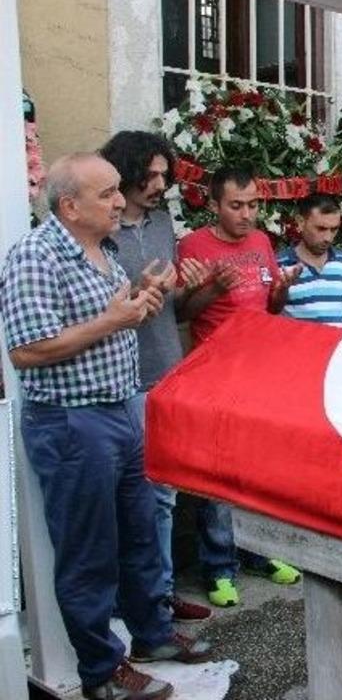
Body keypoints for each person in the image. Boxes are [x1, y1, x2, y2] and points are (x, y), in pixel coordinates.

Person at [1, 153, 211, 700]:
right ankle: (100, 671)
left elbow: (112, 321)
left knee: (140, 533)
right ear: (70, 205)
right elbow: (27, 351)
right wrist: (113, 319)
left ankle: (152, 635)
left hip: (121, 410)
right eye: (108, 194)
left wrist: (141, 300)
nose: (121, 201)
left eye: (119, 190)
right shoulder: (35, 257)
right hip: (73, 424)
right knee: (89, 551)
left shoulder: (105, 250)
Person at [177, 165, 303, 606]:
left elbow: (271, 305)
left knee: (260, 471)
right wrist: (212, 289)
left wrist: (285, 289)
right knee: (219, 476)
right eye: (236, 205)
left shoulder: (262, 242)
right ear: (214, 205)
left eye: (253, 205)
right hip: (215, 375)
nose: (247, 214)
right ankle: (219, 566)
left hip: (260, 372)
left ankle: (260, 554)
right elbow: (182, 312)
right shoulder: (193, 246)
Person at [101, 130, 213, 623]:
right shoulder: (99, 232)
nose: (158, 185)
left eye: (164, 175)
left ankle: (159, 596)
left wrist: (198, 290)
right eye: (149, 175)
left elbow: (178, 312)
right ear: (123, 172)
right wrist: (140, 292)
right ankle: (139, 601)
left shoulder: (164, 223)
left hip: (166, 370)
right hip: (122, 377)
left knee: (164, 495)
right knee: (133, 498)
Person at [277, 194, 342, 329]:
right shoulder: (279, 264)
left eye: (334, 229)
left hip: (337, 348)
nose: (328, 238)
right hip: (297, 348)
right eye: (321, 229)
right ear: (301, 222)